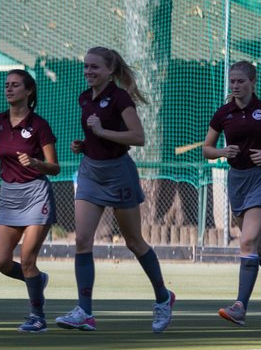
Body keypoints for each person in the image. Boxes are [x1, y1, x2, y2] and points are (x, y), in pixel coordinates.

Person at [56, 46, 175, 333]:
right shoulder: (84, 98)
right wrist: (85, 145)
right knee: (82, 241)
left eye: (94, 67)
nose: (88, 71)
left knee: (134, 241)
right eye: (86, 66)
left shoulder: (120, 98)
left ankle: (163, 297)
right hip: (90, 173)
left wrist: (101, 133)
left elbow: (138, 137)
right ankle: (84, 312)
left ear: (110, 70)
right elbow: (98, 136)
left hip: (118, 174)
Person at [202, 60, 261, 325]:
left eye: (240, 81)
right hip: (237, 182)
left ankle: (240, 307)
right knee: (257, 244)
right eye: (232, 81)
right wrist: (221, 152)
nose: (235, 85)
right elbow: (207, 148)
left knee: (246, 241)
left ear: (253, 83)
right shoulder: (223, 113)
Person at [0, 69, 61, 333]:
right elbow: (4, 155)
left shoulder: (39, 125)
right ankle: (38, 280)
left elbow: (54, 167)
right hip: (9, 196)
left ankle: (37, 317)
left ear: (29, 91)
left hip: (35, 195)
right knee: (1, 261)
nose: (9, 89)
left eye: (15, 85)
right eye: (7, 85)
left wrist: (36, 163)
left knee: (26, 259)